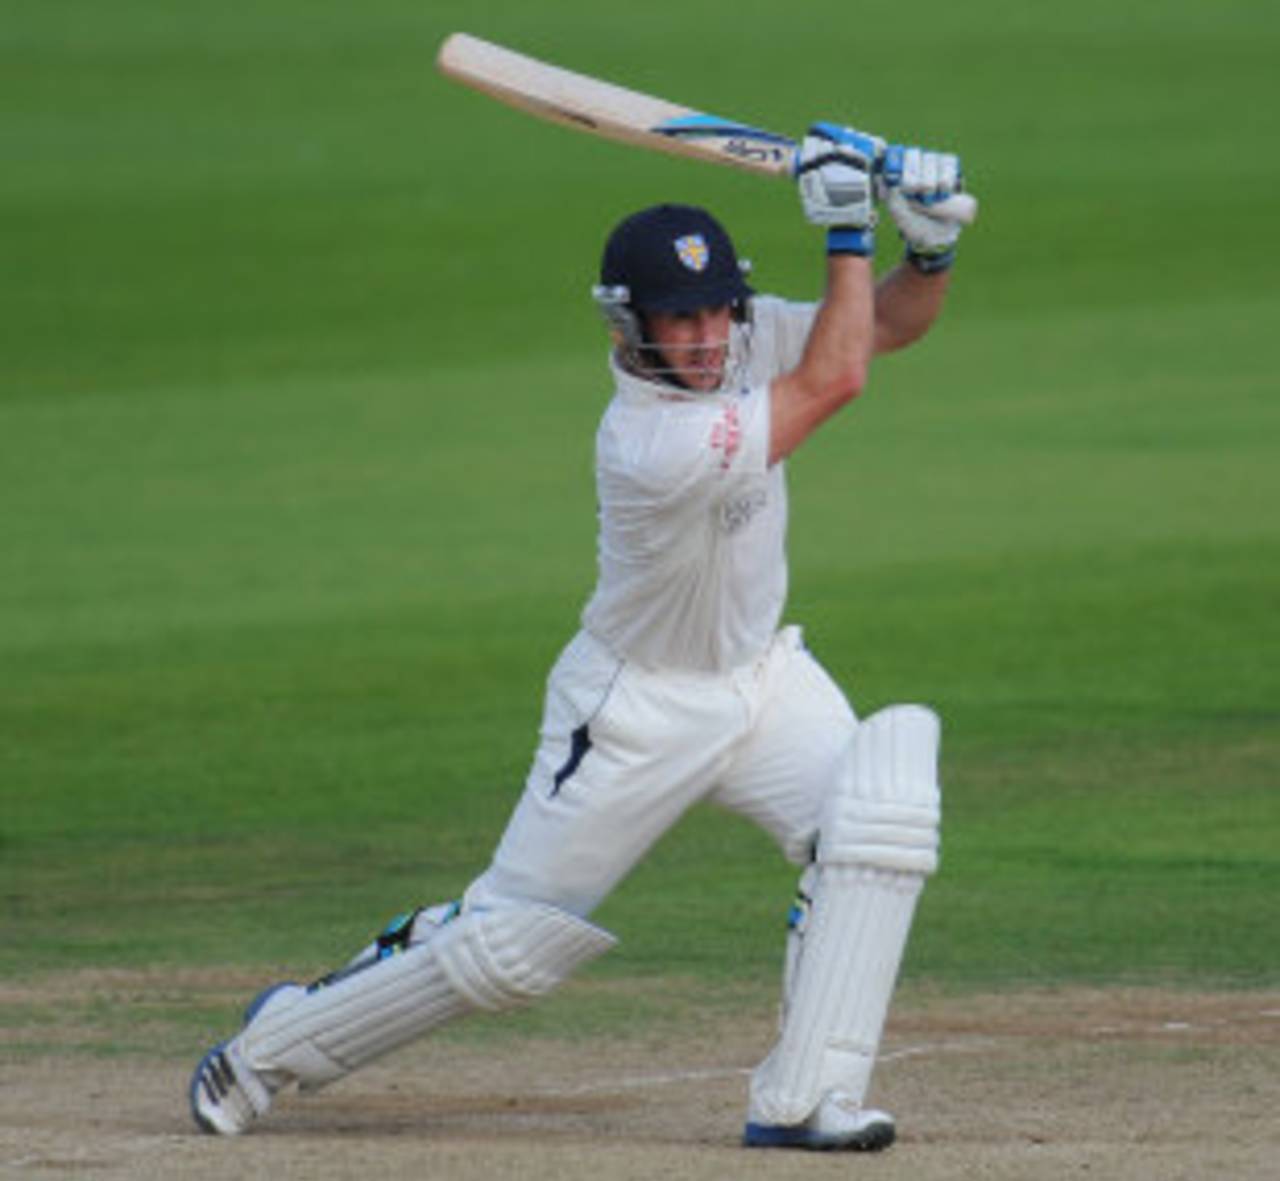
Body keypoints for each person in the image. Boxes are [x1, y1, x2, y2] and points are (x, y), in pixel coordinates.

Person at [190, 122, 970, 1151]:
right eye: (672, 319)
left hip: (759, 678)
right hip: (634, 707)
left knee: (876, 817)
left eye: (710, 312)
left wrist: (924, 250)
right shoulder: (647, 439)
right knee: (510, 946)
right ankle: (272, 1044)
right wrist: (840, 230)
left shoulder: (740, 339)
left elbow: (879, 332)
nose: (698, 339)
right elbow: (834, 382)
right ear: (624, 327)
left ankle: (803, 1097)